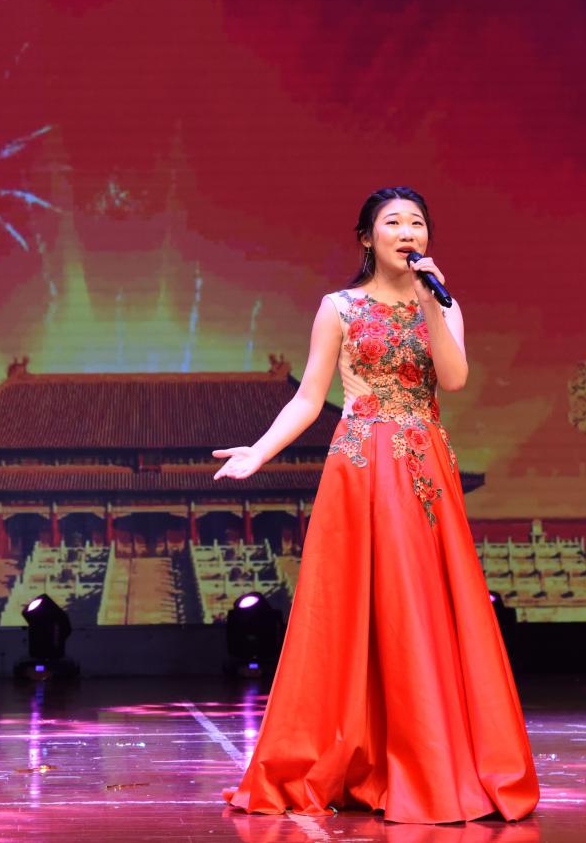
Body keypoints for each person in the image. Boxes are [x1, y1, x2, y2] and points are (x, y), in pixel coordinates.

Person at [213, 186, 539, 824]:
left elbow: (454, 379)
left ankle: (429, 760)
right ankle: (355, 756)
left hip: (423, 465)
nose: (407, 232)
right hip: (362, 465)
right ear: (367, 237)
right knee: (354, 610)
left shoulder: (443, 303)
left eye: (417, 222)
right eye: (393, 222)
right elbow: (309, 398)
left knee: (422, 604)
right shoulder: (338, 307)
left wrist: (434, 305)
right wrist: (260, 451)